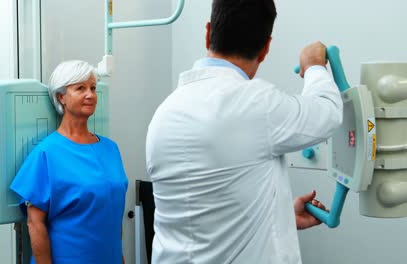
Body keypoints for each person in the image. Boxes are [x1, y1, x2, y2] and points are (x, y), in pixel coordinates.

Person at [145, 0, 343, 263]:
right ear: (266, 48)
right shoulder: (256, 104)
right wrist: (314, 66)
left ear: (208, 33)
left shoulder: (166, 111)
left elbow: (204, 203)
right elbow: (328, 112)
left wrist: (279, 215)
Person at [10, 60, 128, 264]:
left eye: (93, 88)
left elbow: (112, 211)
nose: (90, 94)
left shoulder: (110, 148)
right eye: (80, 88)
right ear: (61, 97)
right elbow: (35, 224)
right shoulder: (47, 153)